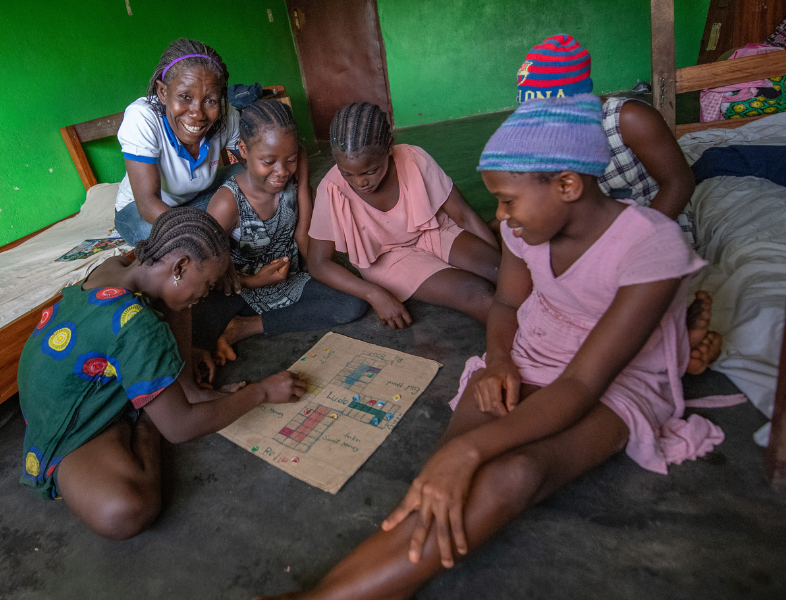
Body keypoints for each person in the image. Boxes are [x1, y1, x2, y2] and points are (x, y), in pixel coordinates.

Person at [257, 95, 726, 600]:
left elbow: (583, 383)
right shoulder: (524, 229)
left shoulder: (651, 244)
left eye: (507, 200)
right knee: (445, 480)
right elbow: (505, 308)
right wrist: (501, 361)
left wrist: (470, 447)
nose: (499, 214)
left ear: (568, 185)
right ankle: (372, 587)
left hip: (610, 382)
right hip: (531, 349)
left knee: (515, 472)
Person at [18, 208, 306, 540]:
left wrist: (177, 356)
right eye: (209, 283)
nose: (207, 292)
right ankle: (148, 418)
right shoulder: (138, 325)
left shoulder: (114, 267)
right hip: (67, 425)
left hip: (64, 387)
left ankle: (178, 392)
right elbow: (180, 429)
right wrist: (262, 392)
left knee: (179, 301)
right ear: (180, 266)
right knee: (125, 512)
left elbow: (131, 324)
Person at [511, 33, 721, 373]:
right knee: (549, 289)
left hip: (652, 224)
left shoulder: (628, 120)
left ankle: (676, 347)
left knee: (631, 294)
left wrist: (629, 242)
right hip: (586, 228)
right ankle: (670, 351)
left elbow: (679, 182)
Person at [199, 99, 367, 363]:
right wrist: (254, 281)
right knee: (195, 320)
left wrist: (320, 269)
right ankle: (239, 321)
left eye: (289, 160)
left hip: (291, 279)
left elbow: (303, 233)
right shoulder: (227, 202)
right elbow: (205, 273)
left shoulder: (297, 165)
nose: (282, 172)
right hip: (239, 289)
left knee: (352, 302)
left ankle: (246, 327)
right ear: (242, 150)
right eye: (268, 161)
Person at [307, 102, 501, 329]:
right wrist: (374, 293)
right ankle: (527, 356)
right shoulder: (331, 188)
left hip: (433, 230)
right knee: (478, 294)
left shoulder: (413, 158)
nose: (360, 182)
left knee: (503, 274)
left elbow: (464, 215)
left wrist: (496, 259)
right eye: (347, 173)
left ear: (390, 147)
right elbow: (318, 262)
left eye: (371, 171)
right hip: (388, 259)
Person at [112, 38, 243, 246]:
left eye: (210, 101)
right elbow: (147, 204)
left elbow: (258, 164)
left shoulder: (227, 114)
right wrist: (203, 229)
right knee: (174, 244)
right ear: (163, 92)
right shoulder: (142, 118)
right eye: (184, 97)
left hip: (199, 197)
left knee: (258, 177)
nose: (197, 113)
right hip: (143, 210)